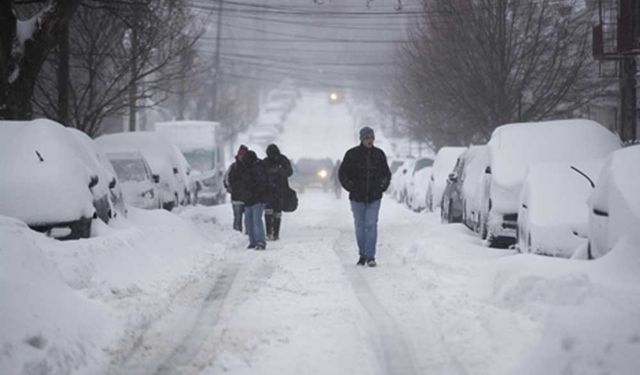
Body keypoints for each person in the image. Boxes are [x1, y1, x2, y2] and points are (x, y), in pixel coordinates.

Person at [339, 126, 391, 267]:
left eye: (371, 138)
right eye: (367, 138)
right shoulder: (352, 155)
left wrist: (382, 186)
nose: (369, 140)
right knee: (360, 225)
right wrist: (351, 186)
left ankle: (370, 256)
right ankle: (362, 254)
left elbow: (386, 173)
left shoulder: (379, 155)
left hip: (374, 196)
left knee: (371, 224)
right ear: (361, 139)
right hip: (357, 197)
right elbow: (342, 174)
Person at [236, 150, 271, 250]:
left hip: (257, 199)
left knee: (256, 221)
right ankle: (253, 241)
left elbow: (261, 184)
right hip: (249, 199)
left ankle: (260, 241)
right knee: (249, 222)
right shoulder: (249, 168)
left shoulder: (257, 168)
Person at [262, 144, 293, 241]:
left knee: (273, 212)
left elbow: (289, 172)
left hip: (275, 189)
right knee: (274, 212)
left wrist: (279, 171)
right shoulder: (281, 160)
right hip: (276, 189)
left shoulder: (268, 161)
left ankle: (271, 233)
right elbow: (289, 172)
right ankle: (274, 233)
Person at [225, 145, 248, 232]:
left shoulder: (234, 167)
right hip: (238, 197)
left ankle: (243, 234)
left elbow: (226, 179)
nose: (241, 157)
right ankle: (238, 235)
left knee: (243, 219)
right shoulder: (233, 167)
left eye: (243, 155)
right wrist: (228, 186)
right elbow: (226, 179)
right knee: (238, 218)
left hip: (245, 198)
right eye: (240, 155)